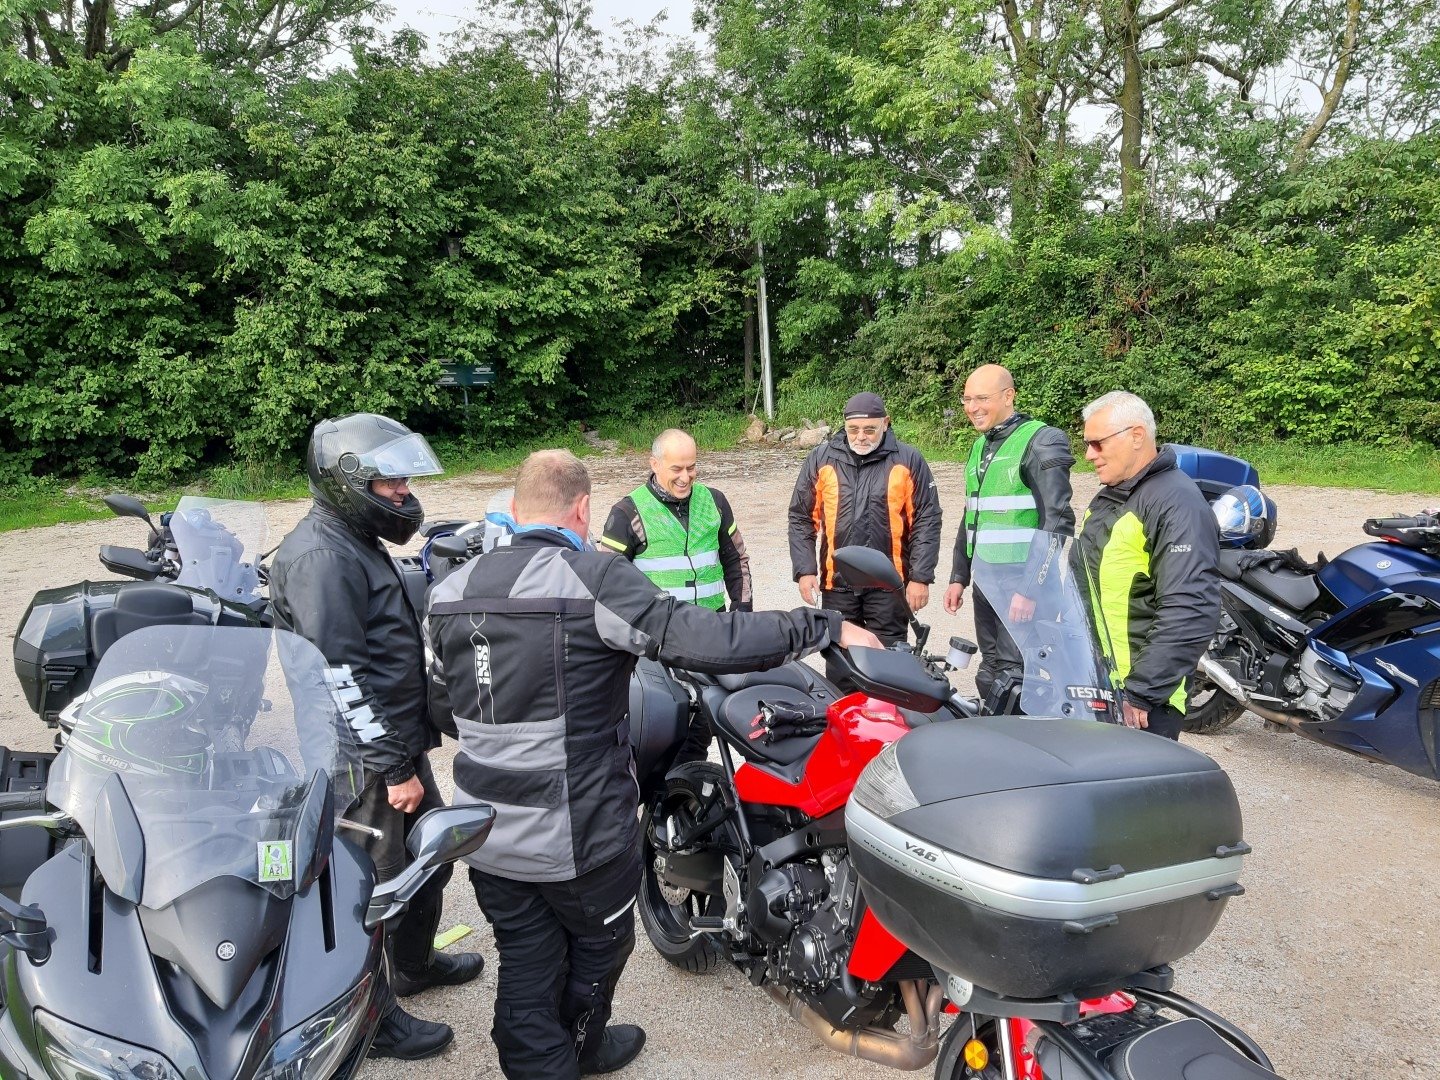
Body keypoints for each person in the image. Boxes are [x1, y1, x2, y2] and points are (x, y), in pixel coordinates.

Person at [427, 449, 879, 1080]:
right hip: (579, 836)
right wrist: (822, 627)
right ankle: (571, 1051)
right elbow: (707, 639)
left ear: (513, 508)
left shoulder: (450, 589)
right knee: (599, 950)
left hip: (485, 829)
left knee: (526, 959)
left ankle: (566, 1049)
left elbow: (442, 706)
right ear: (582, 509)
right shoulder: (592, 579)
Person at [269, 413, 484, 1061]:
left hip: (390, 743)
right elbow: (340, 677)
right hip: (359, 760)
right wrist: (394, 770)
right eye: (391, 483)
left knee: (429, 859)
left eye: (404, 481)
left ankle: (412, 967)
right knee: (375, 888)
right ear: (349, 482)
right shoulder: (322, 558)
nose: (404, 493)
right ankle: (371, 1018)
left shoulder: (352, 536)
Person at [1071, 392, 1221, 740]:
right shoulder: (1112, 496)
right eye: (1087, 444)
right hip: (1099, 685)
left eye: (1097, 443)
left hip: (1143, 704)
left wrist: (1141, 692)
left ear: (1136, 436)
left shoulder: (1177, 504)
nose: (1089, 454)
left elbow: (1191, 607)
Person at [943, 364, 1075, 704]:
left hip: (1023, 582)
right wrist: (959, 576)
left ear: (1008, 396)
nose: (972, 407)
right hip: (987, 579)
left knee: (1015, 676)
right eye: (967, 399)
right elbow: (973, 515)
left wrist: (1030, 589)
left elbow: (1057, 521)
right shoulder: (980, 446)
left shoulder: (1041, 440)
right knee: (990, 672)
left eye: (982, 398)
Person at [788, 392, 941, 682]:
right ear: (844, 426)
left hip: (889, 584)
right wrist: (805, 570)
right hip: (837, 583)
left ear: (886, 423)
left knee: (889, 665)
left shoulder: (908, 460)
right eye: (854, 429)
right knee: (841, 666)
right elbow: (801, 516)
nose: (861, 436)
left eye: (870, 429)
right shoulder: (821, 459)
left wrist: (920, 577)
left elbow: (927, 519)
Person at [599, 428, 752, 612]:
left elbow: (736, 560)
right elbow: (609, 582)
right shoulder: (627, 513)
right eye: (677, 469)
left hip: (715, 624)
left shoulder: (715, 502)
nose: (685, 477)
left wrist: (742, 614)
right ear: (655, 464)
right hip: (659, 628)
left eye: (691, 468)